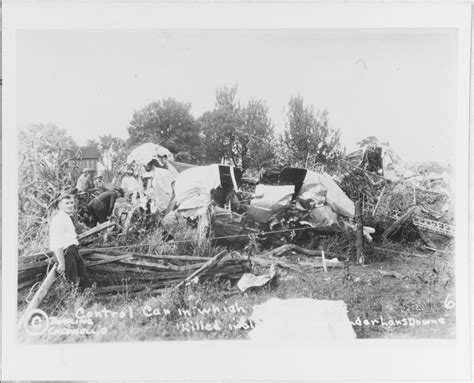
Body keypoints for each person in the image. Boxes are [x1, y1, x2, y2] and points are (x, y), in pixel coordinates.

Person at [49, 193, 92, 288]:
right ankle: (72, 301)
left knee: (83, 279)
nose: (70, 205)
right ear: (60, 205)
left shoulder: (67, 217)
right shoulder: (58, 220)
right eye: (66, 203)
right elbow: (56, 244)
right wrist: (61, 262)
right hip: (65, 254)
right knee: (72, 282)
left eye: (71, 202)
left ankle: (83, 300)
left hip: (72, 251)